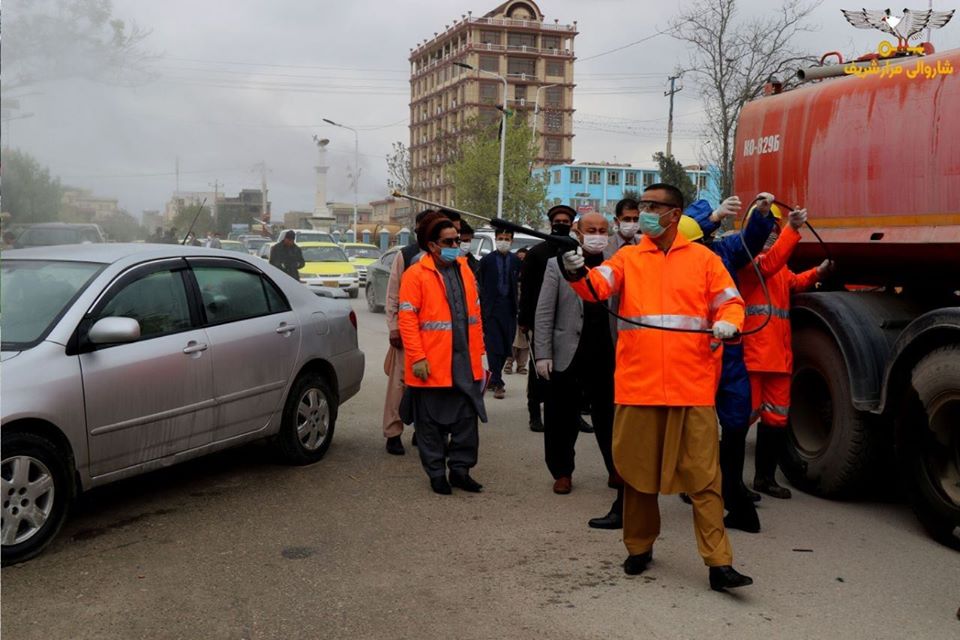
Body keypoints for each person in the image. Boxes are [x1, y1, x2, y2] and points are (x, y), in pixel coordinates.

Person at [560, 183, 753, 592]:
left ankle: (719, 564)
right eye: (641, 206)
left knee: (705, 480)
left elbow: (731, 301)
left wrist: (730, 320)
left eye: (651, 206)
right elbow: (597, 288)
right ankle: (639, 548)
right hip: (639, 388)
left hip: (692, 388)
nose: (643, 212)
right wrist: (575, 271)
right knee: (636, 477)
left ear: (673, 213)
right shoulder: (627, 258)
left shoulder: (704, 260)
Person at [678, 193, 774, 533]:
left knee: (734, 423)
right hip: (690, 353)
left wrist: (763, 214)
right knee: (692, 426)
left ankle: (733, 493)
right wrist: (715, 216)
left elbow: (751, 239)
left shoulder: (724, 251)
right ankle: (696, 486)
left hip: (726, 349)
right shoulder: (671, 257)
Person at [738, 195, 832, 500]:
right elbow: (769, 264)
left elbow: (793, 281)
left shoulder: (778, 267)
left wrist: (818, 273)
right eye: (769, 227)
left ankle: (764, 479)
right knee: (740, 420)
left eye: (774, 229)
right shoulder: (748, 263)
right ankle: (728, 482)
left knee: (776, 419)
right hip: (753, 356)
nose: (772, 233)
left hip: (778, 358)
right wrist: (793, 230)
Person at [535, 212, 623, 529]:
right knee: (561, 415)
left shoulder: (618, 263)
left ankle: (616, 468)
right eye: (591, 230)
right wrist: (542, 354)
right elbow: (544, 313)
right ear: (578, 231)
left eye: (603, 230)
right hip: (568, 352)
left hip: (607, 351)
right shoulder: (557, 264)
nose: (598, 235)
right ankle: (562, 471)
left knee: (611, 417)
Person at [398, 212, 487, 495]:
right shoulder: (415, 275)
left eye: (457, 240)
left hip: (464, 361)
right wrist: (417, 357)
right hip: (432, 363)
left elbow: (475, 313)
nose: (456, 245)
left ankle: (460, 470)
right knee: (431, 425)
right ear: (432, 245)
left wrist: (480, 351)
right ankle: (437, 473)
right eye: (449, 241)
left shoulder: (464, 268)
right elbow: (408, 321)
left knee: (465, 423)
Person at [383, 209, 438, 455]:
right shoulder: (405, 256)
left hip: (435, 337)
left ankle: (422, 431)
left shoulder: (442, 256)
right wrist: (394, 327)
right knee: (399, 385)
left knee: (428, 386)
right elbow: (393, 294)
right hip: (406, 334)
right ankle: (393, 433)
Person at [518, 205, 576, 432]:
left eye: (566, 221)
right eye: (557, 221)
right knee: (538, 367)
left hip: (570, 320)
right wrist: (524, 319)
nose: (561, 224)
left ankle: (573, 413)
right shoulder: (537, 253)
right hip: (540, 320)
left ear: (572, 224)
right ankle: (535, 412)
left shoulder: (575, 250)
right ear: (551, 223)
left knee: (569, 370)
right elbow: (528, 289)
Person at [478, 229, 521, 400]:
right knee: (493, 346)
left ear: (511, 241)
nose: (503, 241)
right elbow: (480, 284)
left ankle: (494, 376)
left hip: (509, 309)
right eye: (501, 238)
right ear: (496, 239)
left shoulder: (516, 261)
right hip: (491, 309)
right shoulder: (487, 261)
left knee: (505, 346)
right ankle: (498, 381)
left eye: (507, 238)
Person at [504, 247, 530, 375]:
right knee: (513, 339)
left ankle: (521, 366)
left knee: (525, 340)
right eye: (519, 259)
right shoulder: (511, 274)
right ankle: (509, 363)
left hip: (527, 311)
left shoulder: (532, 275)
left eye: (524, 259)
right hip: (513, 311)